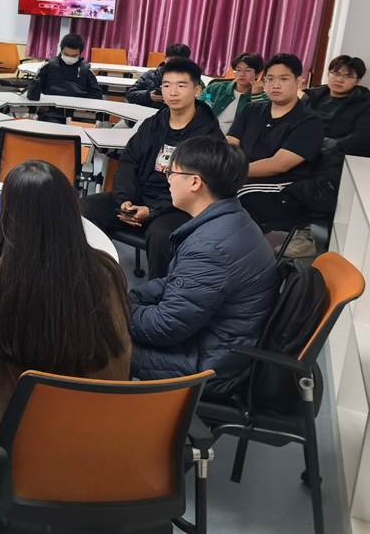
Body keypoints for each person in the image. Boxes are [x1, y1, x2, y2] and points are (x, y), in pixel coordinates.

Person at [0, 161, 130, 495]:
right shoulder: (107, 269)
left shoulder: (0, 280)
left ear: (9, 215)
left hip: (24, 452)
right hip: (101, 436)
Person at [129, 136, 278, 396]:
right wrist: (131, 298)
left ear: (195, 182)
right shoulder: (232, 219)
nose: (168, 180)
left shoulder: (210, 247)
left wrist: (118, 312)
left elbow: (165, 327)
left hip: (209, 365)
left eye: (172, 173)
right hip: (217, 341)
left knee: (96, 338)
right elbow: (177, 282)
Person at [81, 58, 223, 279]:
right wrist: (124, 200)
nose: (172, 92)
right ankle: (93, 278)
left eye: (181, 85)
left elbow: (199, 187)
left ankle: (158, 293)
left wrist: (153, 210)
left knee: (161, 234)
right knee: (85, 208)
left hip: (180, 207)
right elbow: (129, 162)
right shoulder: (152, 124)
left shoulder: (209, 136)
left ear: (197, 90)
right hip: (141, 197)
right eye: (166, 85)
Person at [284, 55, 370, 256]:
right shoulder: (313, 95)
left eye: (347, 76)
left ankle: (307, 234)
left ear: (357, 80)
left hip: (338, 155)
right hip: (305, 148)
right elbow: (293, 121)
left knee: (317, 178)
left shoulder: (365, 103)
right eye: (335, 73)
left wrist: (332, 145)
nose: (339, 79)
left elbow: (362, 137)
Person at [228, 53, 325, 228]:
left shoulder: (310, 121)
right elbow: (231, 142)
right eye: (270, 79)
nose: (275, 85)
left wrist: (232, 172)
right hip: (244, 174)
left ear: (299, 81)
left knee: (234, 195)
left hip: (285, 186)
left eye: (284, 79)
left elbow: (279, 165)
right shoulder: (251, 109)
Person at [25, 32, 104, 102]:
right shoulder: (49, 66)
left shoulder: (86, 70)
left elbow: (97, 95)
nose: (69, 58)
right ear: (61, 50)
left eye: (74, 56)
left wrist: (83, 107)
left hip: (76, 110)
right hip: (51, 109)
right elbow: (33, 89)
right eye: (66, 54)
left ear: (80, 54)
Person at [201, 52, 268, 133]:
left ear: (257, 74)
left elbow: (260, 123)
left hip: (235, 138)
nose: (241, 74)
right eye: (238, 70)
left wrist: (256, 96)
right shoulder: (215, 88)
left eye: (247, 70)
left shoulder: (264, 98)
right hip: (206, 132)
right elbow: (197, 106)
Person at [127, 43, 192, 108]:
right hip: (151, 112)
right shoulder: (151, 75)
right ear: (165, 59)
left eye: (180, 62)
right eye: (172, 61)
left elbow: (197, 100)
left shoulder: (191, 78)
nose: (175, 65)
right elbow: (130, 94)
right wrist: (149, 96)